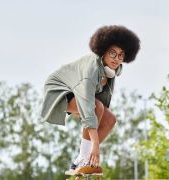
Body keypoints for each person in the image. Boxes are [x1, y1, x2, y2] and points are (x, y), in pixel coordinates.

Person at [41, 25, 140, 174]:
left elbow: (102, 105)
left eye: (121, 55)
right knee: (96, 108)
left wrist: (94, 140)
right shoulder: (92, 69)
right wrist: (95, 145)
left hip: (80, 93)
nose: (116, 59)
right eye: (112, 53)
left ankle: (84, 158)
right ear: (103, 51)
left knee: (110, 119)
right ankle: (82, 158)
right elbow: (89, 107)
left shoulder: (111, 71)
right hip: (59, 89)